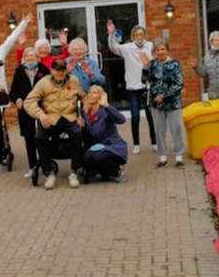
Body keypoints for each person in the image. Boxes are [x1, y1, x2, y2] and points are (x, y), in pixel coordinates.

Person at [24, 59, 85, 190]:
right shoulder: (43, 82)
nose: (60, 72)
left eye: (63, 69)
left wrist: (83, 115)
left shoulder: (73, 81)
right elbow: (29, 101)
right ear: (51, 70)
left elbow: (83, 97)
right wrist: (40, 114)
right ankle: (49, 173)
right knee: (39, 138)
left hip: (69, 117)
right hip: (50, 118)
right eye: (57, 69)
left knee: (77, 133)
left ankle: (74, 171)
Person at [106, 20, 157, 154]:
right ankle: (136, 144)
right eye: (137, 35)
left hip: (147, 86)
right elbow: (113, 47)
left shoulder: (151, 46)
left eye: (141, 34)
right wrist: (111, 35)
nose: (140, 36)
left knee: (150, 114)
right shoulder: (127, 47)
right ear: (133, 36)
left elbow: (159, 56)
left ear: (145, 35)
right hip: (132, 87)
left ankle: (154, 142)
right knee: (135, 116)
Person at [10, 46, 50, 178]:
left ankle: (46, 165)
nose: (30, 58)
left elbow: (50, 89)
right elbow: (13, 92)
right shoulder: (19, 71)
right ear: (24, 58)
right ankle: (32, 167)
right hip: (26, 111)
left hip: (42, 110)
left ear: (37, 57)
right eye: (27, 56)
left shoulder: (44, 71)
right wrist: (18, 99)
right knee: (29, 140)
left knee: (42, 138)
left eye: (32, 56)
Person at [145, 38, 186, 168]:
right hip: (156, 103)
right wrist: (145, 67)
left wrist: (164, 95)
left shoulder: (175, 64)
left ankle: (179, 156)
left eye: (163, 49)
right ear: (154, 52)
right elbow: (144, 80)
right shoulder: (152, 64)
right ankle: (162, 158)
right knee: (159, 129)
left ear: (167, 50)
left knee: (177, 128)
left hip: (173, 102)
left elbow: (179, 83)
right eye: (158, 50)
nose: (161, 52)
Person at [80, 85, 128, 182]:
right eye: (90, 92)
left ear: (100, 96)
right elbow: (89, 135)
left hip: (112, 145)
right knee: (86, 158)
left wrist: (106, 105)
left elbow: (121, 120)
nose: (91, 95)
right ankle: (101, 171)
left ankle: (116, 170)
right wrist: (83, 127)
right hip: (95, 147)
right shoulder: (84, 114)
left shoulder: (106, 110)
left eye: (95, 93)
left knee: (100, 156)